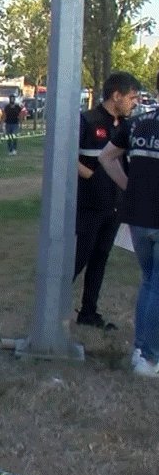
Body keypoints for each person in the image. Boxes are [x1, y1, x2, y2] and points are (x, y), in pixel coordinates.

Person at [98, 70, 159, 377]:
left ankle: (140, 349)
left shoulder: (137, 124)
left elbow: (107, 157)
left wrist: (129, 187)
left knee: (150, 282)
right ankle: (149, 359)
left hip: (138, 217)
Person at [74, 72, 141, 332]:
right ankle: (52, 311)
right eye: (132, 98)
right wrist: (89, 174)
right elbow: (66, 154)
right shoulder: (88, 120)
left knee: (100, 259)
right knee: (79, 259)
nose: (134, 103)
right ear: (116, 96)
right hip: (89, 205)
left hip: (114, 206)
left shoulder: (126, 126)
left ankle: (89, 312)